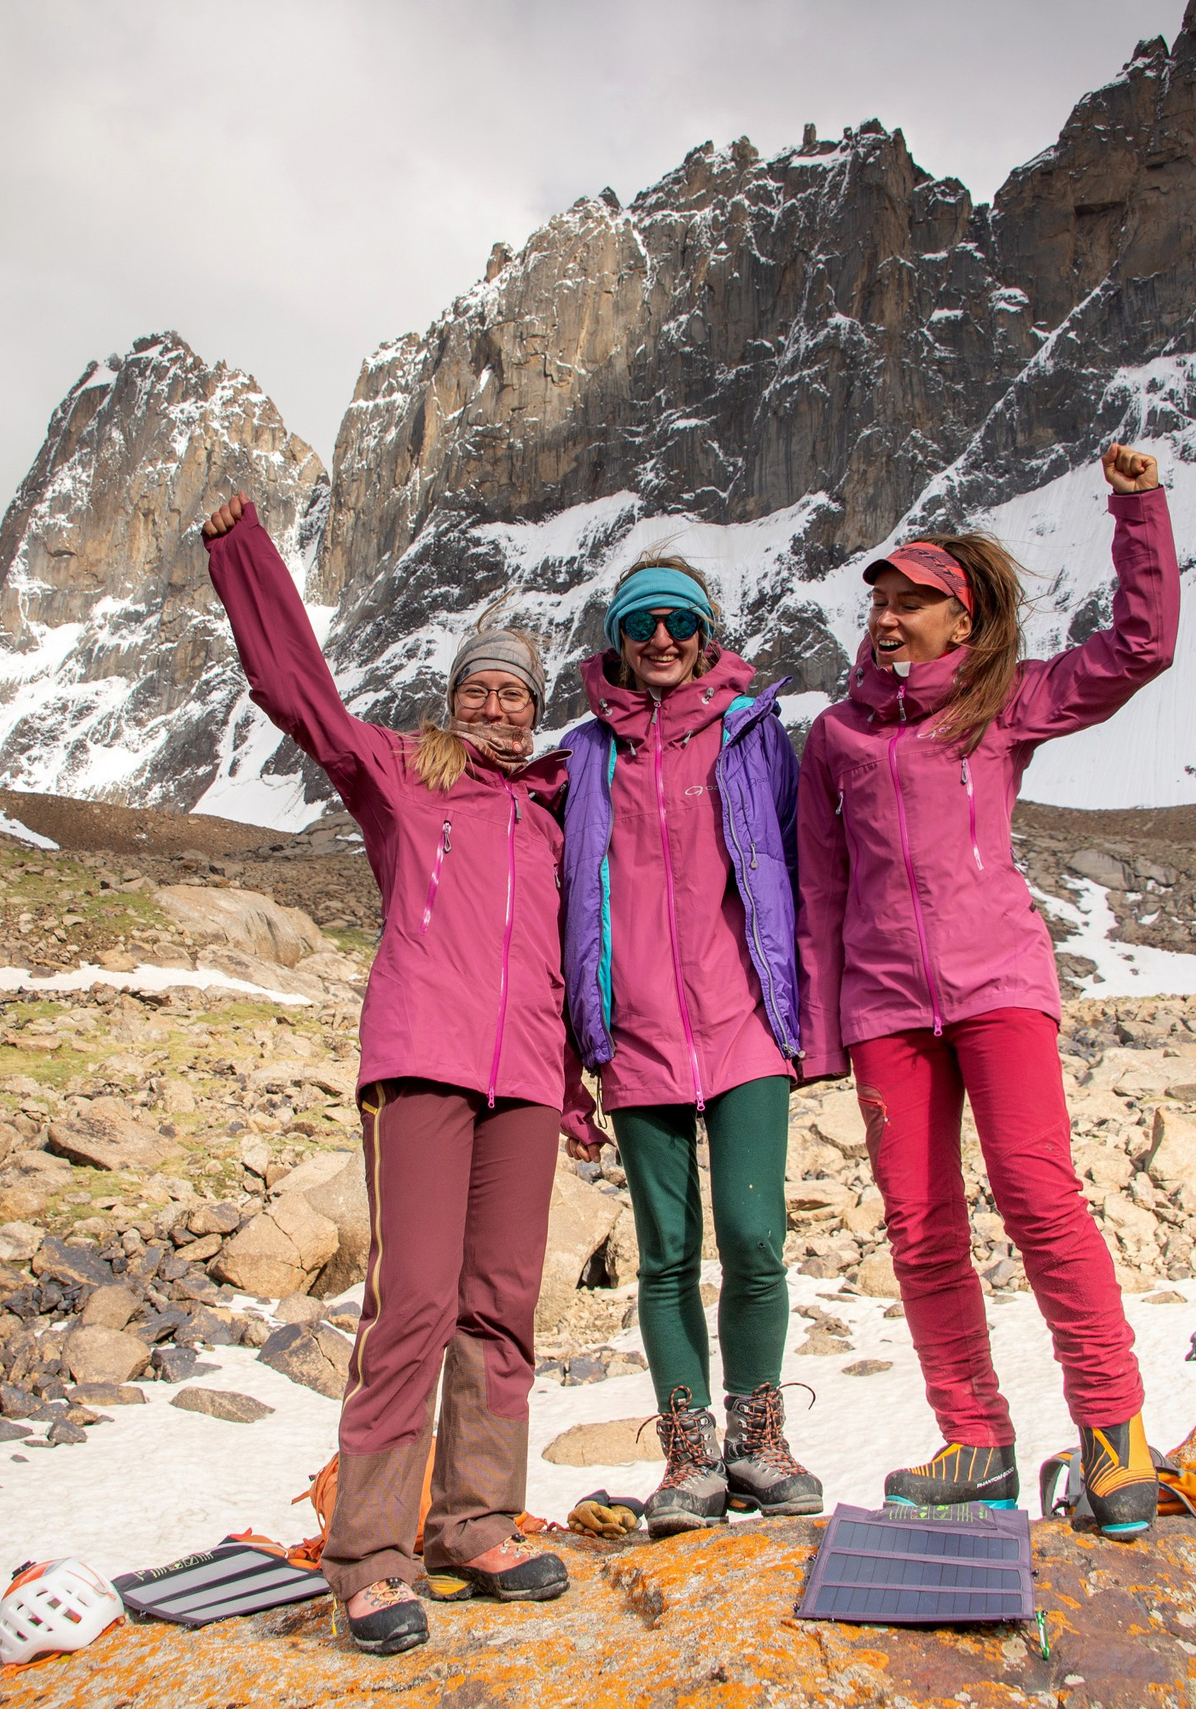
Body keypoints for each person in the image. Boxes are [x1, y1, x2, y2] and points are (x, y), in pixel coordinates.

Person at [200, 492, 585, 1654]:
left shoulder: (560, 808)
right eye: (477, 686)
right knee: (411, 1298)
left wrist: (579, 1082)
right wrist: (243, 554)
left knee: (502, 1303)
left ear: (537, 705)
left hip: (527, 1074)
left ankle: (475, 1524)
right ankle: (369, 1555)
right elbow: (297, 694)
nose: (495, 704)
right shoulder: (402, 772)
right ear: (451, 699)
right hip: (421, 1059)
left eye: (514, 690)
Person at [794, 444, 1179, 1537]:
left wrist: (1136, 507)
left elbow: (1141, 645)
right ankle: (976, 1442)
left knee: (1037, 1195)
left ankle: (1112, 1432)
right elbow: (822, 888)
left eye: (912, 598)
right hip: (882, 1008)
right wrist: (825, 1028)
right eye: (879, 598)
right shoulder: (836, 735)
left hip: (997, 981)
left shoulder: (1002, 704)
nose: (888, 614)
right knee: (919, 1226)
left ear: (960, 623)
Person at [558, 556, 816, 1537]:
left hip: (744, 1022)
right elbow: (555, 901)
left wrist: (811, 1011)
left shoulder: (755, 737)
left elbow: (800, 863)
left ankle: (759, 1438)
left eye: (677, 621)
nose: (659, 638)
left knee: (753, 1238)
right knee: (666, 1255)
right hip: (637, 1038)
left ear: (707, 633)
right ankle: (689, 1454)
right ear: (616, 643)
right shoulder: (586, 756)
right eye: (639, 625)